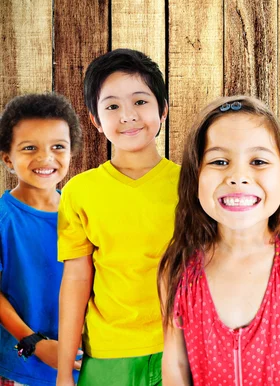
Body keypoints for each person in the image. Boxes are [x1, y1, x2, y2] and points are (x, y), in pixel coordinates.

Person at [159, 96, 280, 385]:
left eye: (258, 161)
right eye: (219, 161)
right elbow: (176, 364)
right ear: (195, 180)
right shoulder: (178, 268)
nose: (238, 176)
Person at [56, 49, 180, 386]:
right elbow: (76, 281)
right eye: (112, 106)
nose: (128, 116)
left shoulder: (193, 184)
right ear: (96, 120)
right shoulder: (80, 192)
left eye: (140, 102)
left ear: (163, 109)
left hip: (183, 347)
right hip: (109, 354)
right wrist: (64, 370)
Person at [0, 93, 82, 385]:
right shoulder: (4, 218)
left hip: (84, 363)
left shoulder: (81, 212)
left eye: (58, 147)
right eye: (29, 147)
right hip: (26, 368)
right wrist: (35, 342)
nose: (45, 158)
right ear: (7, 157)